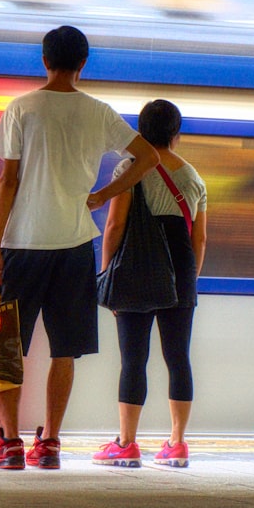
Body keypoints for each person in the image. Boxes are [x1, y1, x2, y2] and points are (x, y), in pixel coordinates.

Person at [0, 25, 161, 470]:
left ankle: (10, 444)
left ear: (44, 60)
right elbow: (149, 157)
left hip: (23, 243)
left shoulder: (22, 108)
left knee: (8, 347)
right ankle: (52, 443)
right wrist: (103, 194)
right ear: (83, 64)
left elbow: (9, 180)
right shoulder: (98, 112)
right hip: (76, 243)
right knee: (64, 350)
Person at [92, 99, 207, 468]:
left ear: (140, 133)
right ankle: (176, 444)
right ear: (176, 135)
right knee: (178, 359)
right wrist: (188, 278)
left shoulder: (131, 168)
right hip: (180, 272)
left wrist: (108, 272)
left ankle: (126, 444)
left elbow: (115, 226)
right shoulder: (194, 178)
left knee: (134, 360)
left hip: (136, 271)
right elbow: (199, 240)